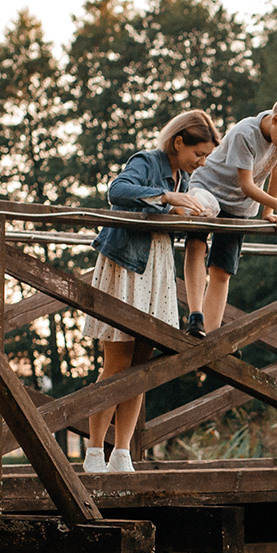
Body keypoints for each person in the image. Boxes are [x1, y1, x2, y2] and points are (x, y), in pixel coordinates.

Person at [84, 111, 220, 474]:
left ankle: (122, 453)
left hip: (157, 266)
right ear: (179, 143)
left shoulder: (185, 176)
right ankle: (95, 450)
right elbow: (117, 190)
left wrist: (189, 212)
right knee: (116, 364)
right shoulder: (148, 162)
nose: (202, 162)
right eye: (199, 154)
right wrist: (166, 196)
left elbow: (170, 214)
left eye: (206, 156)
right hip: (127, 264)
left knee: (141, 366)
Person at [182, 89, 277, 338]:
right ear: (275, 119)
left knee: (222, 270)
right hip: (208, 189)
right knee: (197, 244)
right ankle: (195, 316)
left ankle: (210, 335)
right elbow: (247, 184)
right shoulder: (246, 132)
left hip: (239, 206)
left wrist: (268, 212)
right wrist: (276, 203)